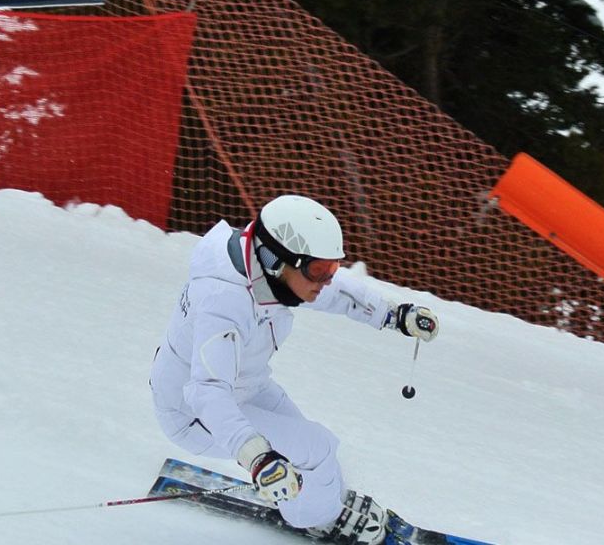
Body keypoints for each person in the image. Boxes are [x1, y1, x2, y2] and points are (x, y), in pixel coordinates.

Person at [149, 194, 439, 543]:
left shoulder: (262, 265)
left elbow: (330, 293)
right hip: (193, 411)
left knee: (312, 450)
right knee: (316, 449)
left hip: (246, 385)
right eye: (319, 271)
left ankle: (326, 501)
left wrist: (393, 315)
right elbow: (207, 391)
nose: (327, 280)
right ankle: (320, 518)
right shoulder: (224, 301)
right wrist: (257, 457)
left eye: (331, 268)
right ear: (277, 261)